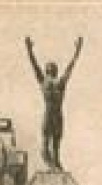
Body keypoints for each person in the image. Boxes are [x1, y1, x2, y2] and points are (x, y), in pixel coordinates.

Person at [25, 35, 83, 170]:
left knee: (47, 147)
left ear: (46, 71)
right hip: (56, 115)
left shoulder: (44, 82)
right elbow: (70, 68)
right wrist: (77, 51)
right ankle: (55, 166)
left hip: (50, 114)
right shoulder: (59, 82)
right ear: (55, 71)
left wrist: (29, 50)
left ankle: (54, 166)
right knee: (54, 147)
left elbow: (34, 65)